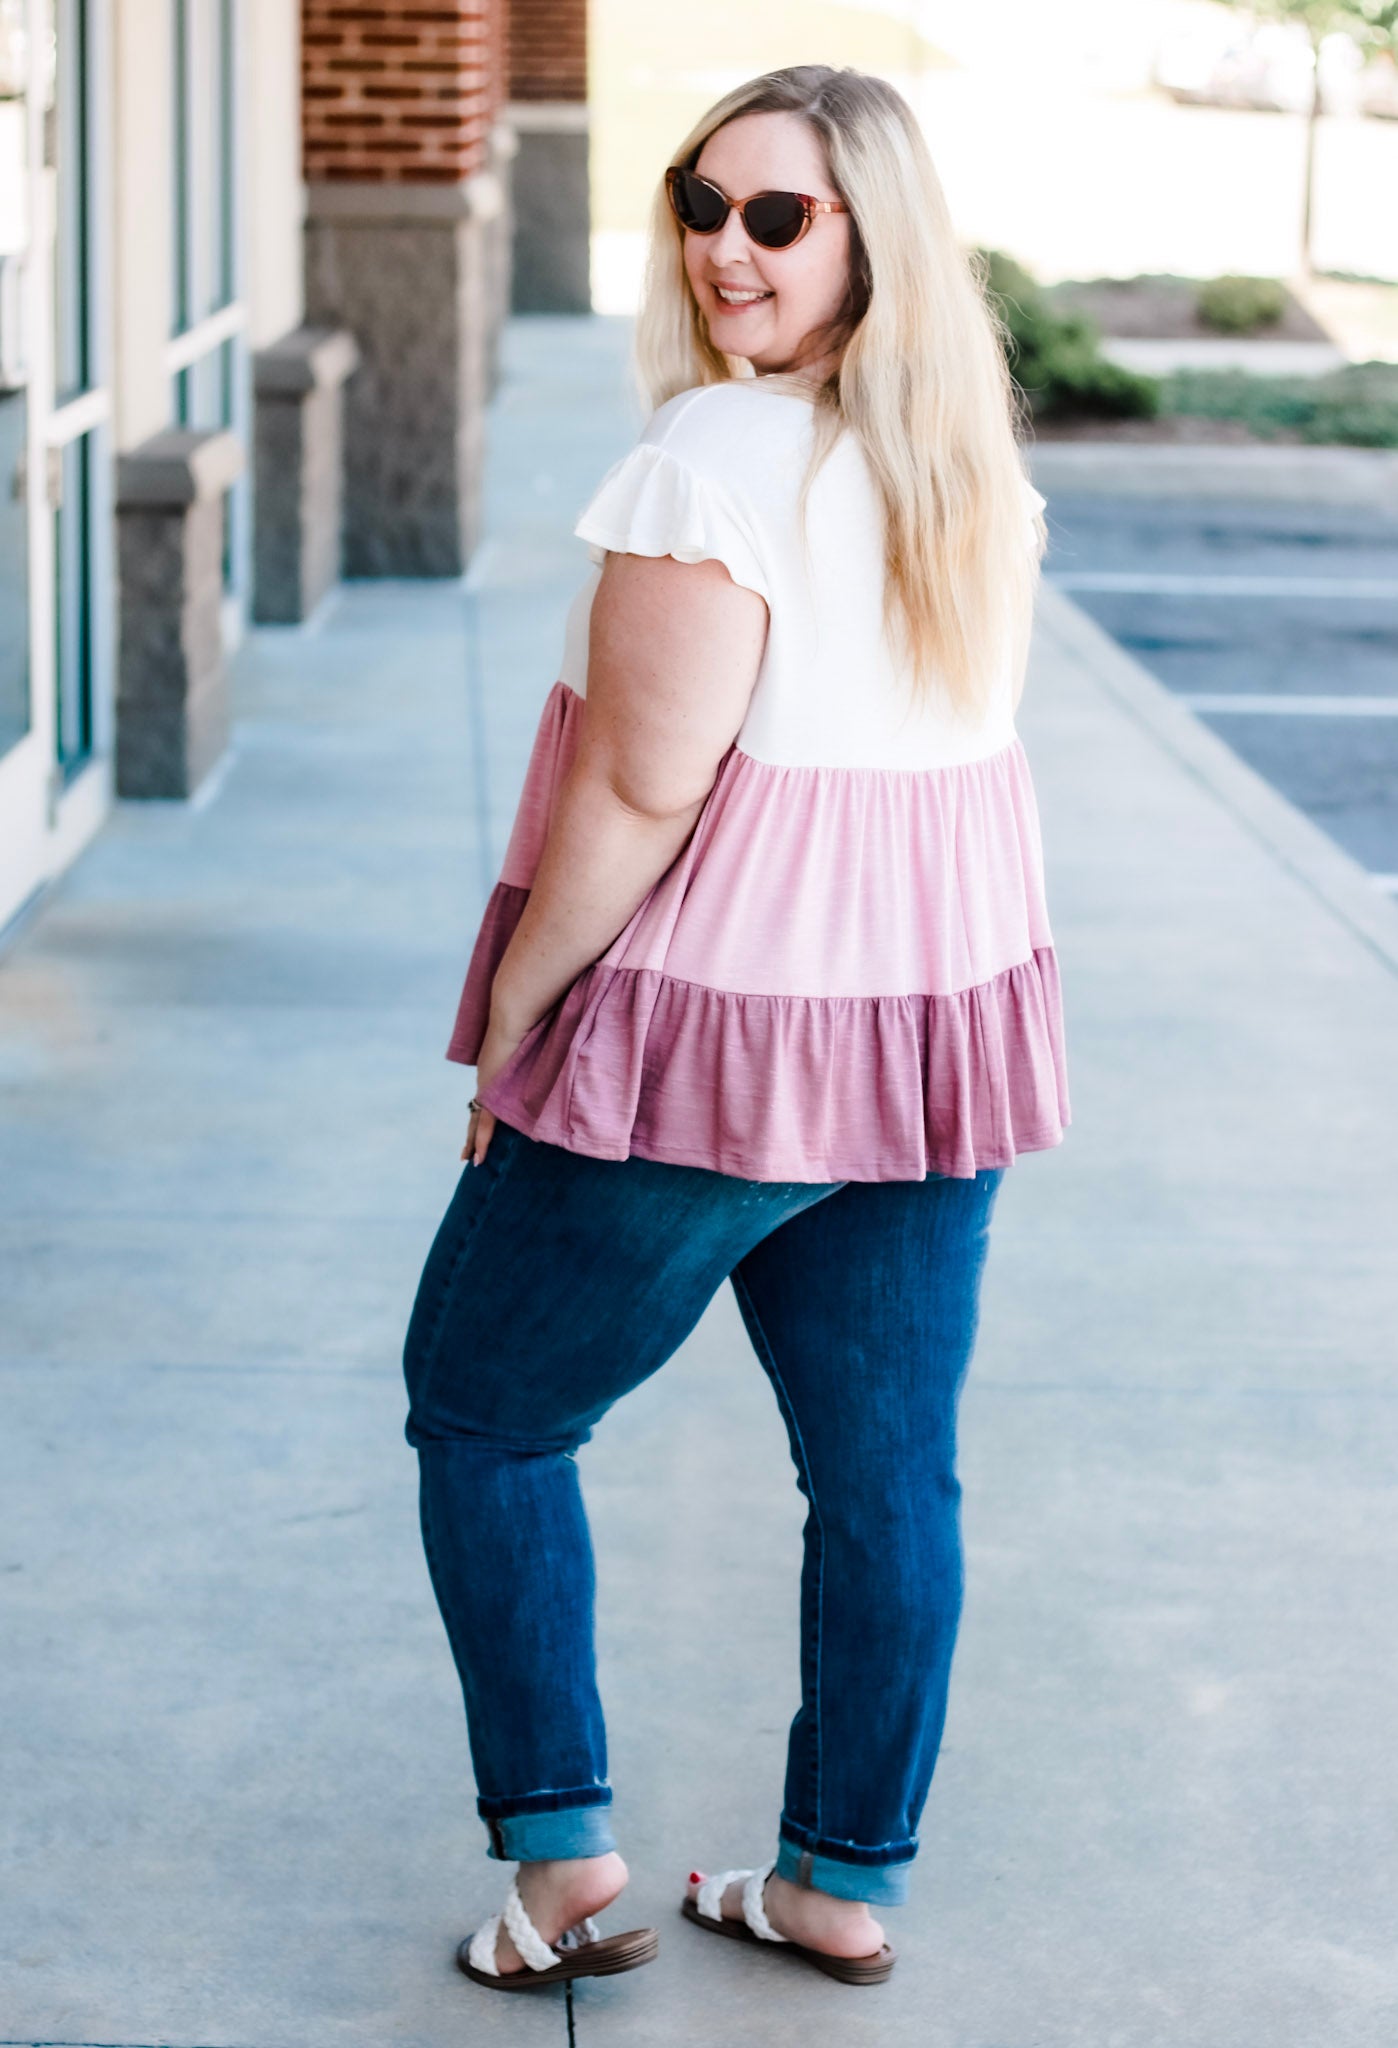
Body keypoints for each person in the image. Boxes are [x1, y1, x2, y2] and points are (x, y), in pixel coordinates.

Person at [401, 62, 1069, 1994]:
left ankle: (562, 1874)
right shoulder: (964, 469)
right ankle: (836, 1884)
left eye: (777, 215)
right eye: (701, 204)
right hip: (920, 1043)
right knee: (883, 1477)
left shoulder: (712, 453)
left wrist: (515, 1017)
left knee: (488, 1411)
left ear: (875, 235)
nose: (723, 247)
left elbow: (641, 789)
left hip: (718, 1038)